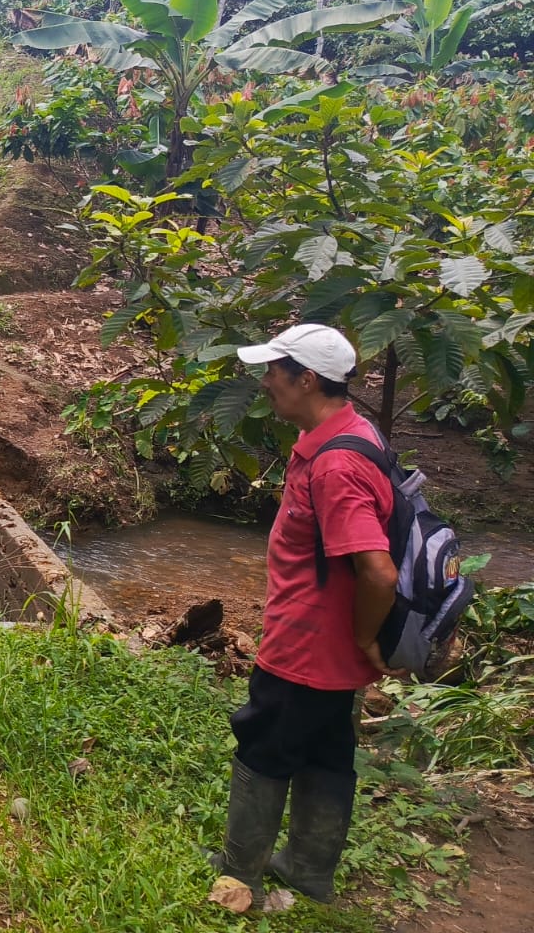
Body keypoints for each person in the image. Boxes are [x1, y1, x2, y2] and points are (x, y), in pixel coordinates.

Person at [209, 323, 399, 905]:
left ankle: (241, 873)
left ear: (308, 379)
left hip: (307, 646)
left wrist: (364, 637)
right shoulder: (353, 433)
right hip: (331, 649)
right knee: (326, 749)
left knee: (264, 743)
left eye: (274, 370)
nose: (266, 381)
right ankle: (309, 870)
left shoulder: (336, 467)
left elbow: (379, 573)